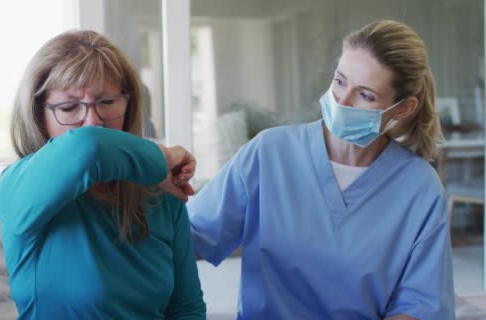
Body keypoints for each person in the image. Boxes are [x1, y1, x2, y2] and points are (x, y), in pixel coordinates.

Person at [188, 20, 454, 319]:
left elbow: (419, 308)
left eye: (365, 95)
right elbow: (190, 239)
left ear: (402, 109)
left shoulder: (420, 190)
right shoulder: (269, 154)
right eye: (340, 81)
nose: (342, 100)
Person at [0, 30, 206, 319]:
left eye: (107, 102)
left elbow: (186, 308)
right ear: (38, 116)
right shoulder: (17, 189)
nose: (93, 120)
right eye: (69, 107)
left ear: (128, 104)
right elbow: (88, 145)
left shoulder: (162, 196)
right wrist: (163, 157)